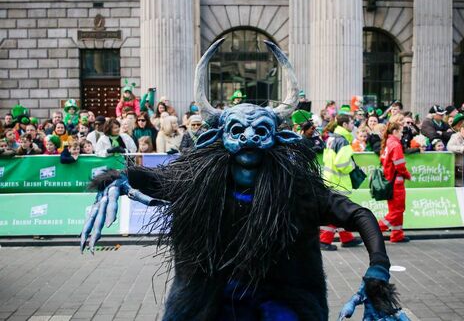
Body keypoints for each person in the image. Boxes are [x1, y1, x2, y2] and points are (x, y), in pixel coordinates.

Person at [81, 40, 408, 321]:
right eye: (239, 131)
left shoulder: (297, 189)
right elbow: (155, 180)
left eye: (261, 131)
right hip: (213, 305)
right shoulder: (198, 181)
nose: (250, 138)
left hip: (281, 304)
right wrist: (118, 180)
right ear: (220, 137)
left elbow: (359, 215)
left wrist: (378, 271)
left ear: (277, 139)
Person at [320, 114, 363, 250]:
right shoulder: (343, 141)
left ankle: (347, 238)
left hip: (330, 179)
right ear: (344, 125)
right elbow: (342, 164)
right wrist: (353, 165)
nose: (353, 126)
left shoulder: (331, 138)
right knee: (337, 211)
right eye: (351, 123)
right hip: (338, 181)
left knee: (340, 210)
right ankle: (324, 240)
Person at [379, 122, 411, 243]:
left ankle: (397, 234)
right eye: (401, 132)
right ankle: (375, 230)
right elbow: (400, 165)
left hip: (390, 181)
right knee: (397, 211)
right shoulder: (395, 145)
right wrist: (408, 175)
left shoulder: (388, 143)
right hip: (396, 182)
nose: (402, 134)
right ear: (395, 132)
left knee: (396, 210)